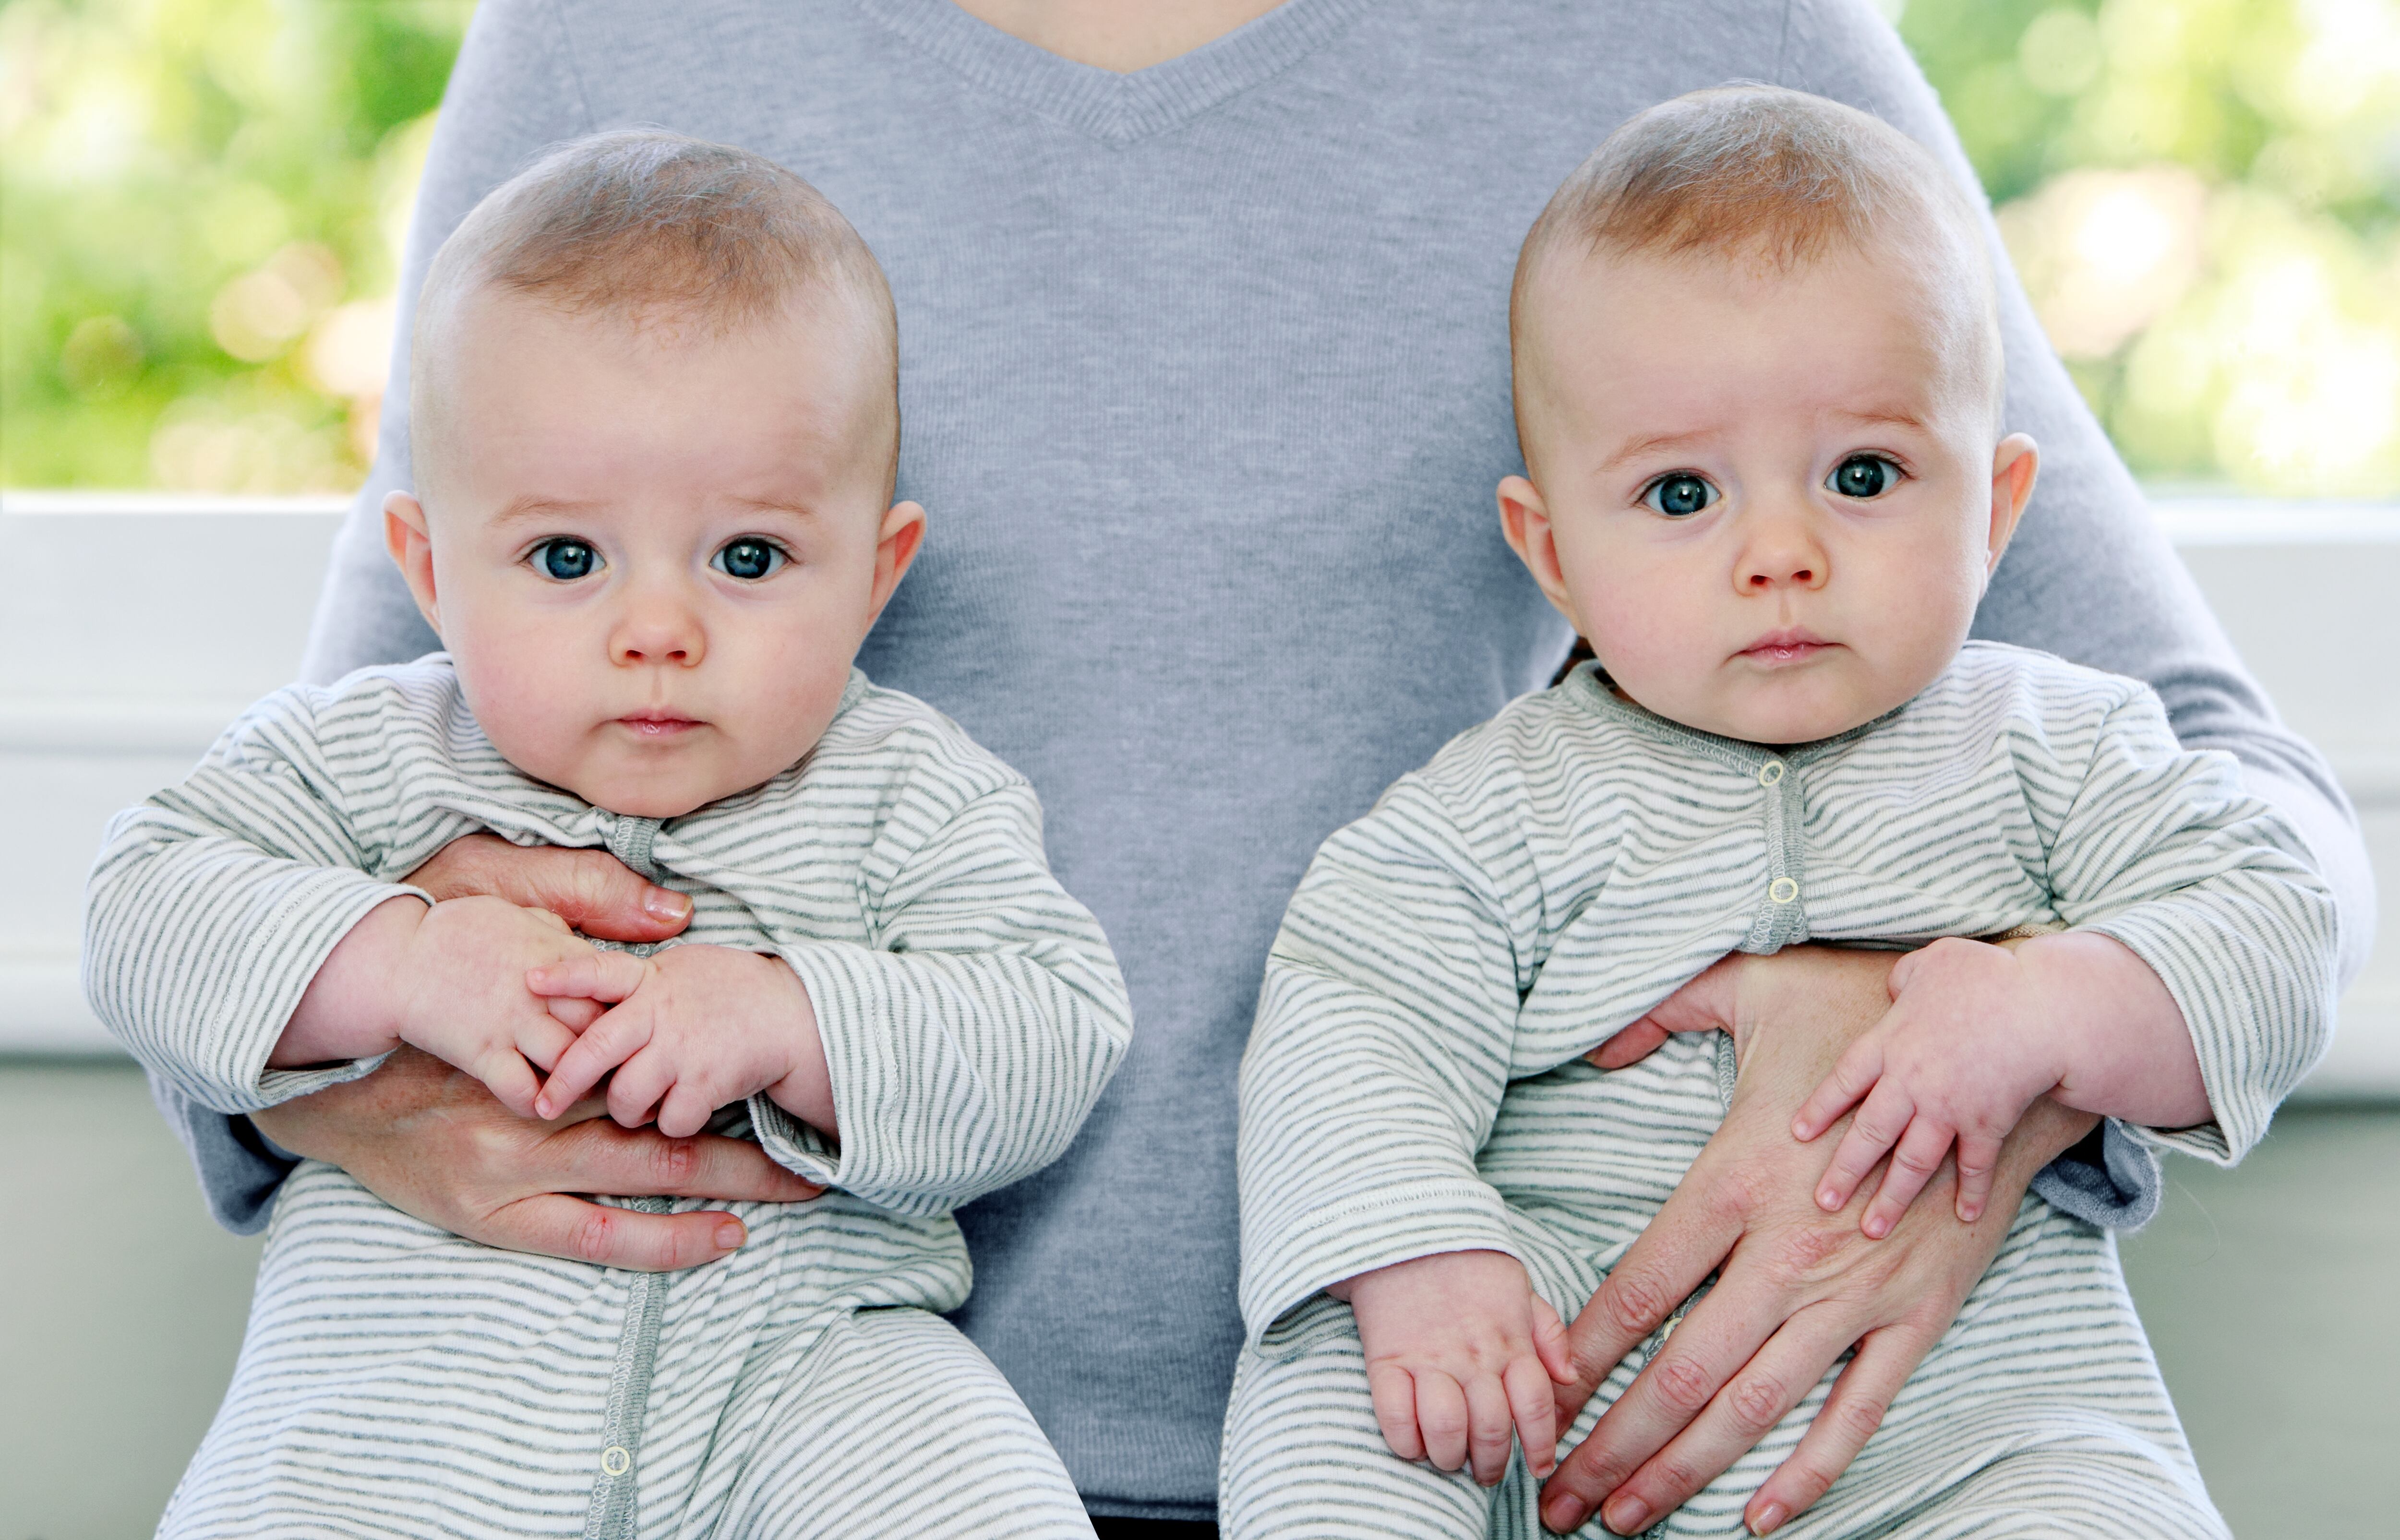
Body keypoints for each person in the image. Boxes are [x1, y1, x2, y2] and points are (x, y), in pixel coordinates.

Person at [150, 2, 2373, 1532]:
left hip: (1519, 1456)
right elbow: (355, 777)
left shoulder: (1717, 27)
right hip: (755, 1425)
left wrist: (1969, 1031)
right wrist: (386, 1018)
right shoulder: (610, 36)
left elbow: (2219, 793)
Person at [1222, 86, 2337, 1540]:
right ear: (1552, 556)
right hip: (1544, 1402)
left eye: (1863, 475)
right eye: (1682, 493)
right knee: (1339, 1413)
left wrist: (2051, 1003)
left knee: (2094, 1502)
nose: (1782, 554)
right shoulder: (1495, 805)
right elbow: (1346, 1010)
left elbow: (2276, 911)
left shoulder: (2058, 744)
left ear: (1996, 511)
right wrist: (1416, 1250)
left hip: (1965, 1433)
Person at [88, 131, 1130, 1539]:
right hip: (396, 1392)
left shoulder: (910, 791)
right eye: (567, 559)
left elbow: (1052, 1026)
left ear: (877, 573)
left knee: (975, 1489)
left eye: (747, 558)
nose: (658, 631)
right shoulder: (361, 756)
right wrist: (399, 960)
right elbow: (142, 908)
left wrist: (790, 1019)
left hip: (806, 1388)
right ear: (432, 568)